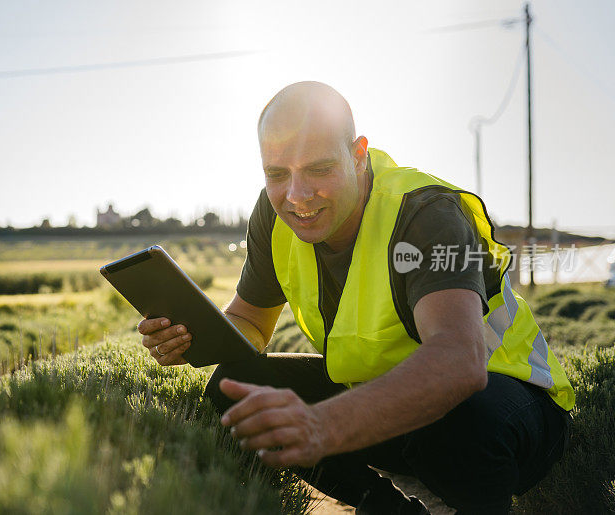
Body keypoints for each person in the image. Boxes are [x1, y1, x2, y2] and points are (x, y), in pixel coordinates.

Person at [137, 81, 574, 514]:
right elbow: (250, 323)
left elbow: (459, 363)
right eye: (276, 174)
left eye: (319, 168)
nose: (297, 195)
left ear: (358, 153)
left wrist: (323, 425)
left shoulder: (426, 212)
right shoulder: (274, 214)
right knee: (236, 389)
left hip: (513, 407)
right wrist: (192, 335)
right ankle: (391, 510)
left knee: (461, 422)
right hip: (385, 401)